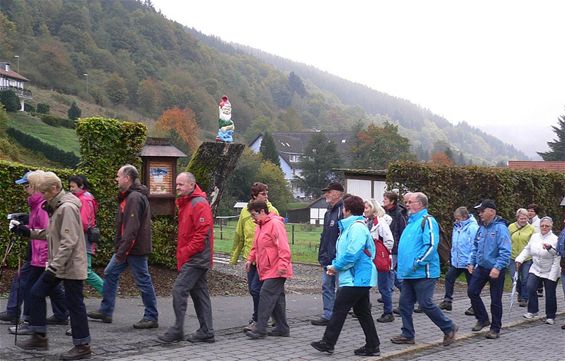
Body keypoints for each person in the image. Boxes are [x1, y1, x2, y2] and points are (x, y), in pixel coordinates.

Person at [11, 171, 91, 360]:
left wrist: (52, 268)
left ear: (55, 188)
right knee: (36, 293)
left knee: (75, 304)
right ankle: (40, 336)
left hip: (68, 266)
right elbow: (52, 233)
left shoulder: (67, 208)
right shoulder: (58, 206)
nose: (42, 196)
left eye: (45, 192)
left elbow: (69, 241)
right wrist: (28, 232)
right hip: (62, 264)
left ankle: (82, 346)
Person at [88, 164, 158, 329]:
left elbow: (131, 228)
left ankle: (151, 316)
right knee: (110, 272)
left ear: (127, 178)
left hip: (133, 248)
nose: (116, 179)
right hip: (128, 247)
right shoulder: (129, 196)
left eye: (118, 176)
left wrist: (122, 251)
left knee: (143, 280)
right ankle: (106, 311)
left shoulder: (133, 198)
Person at [311, 196, 380, 356]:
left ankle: (328, 343)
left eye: (343, 208)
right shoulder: (353, 227)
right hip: (358, 277)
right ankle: (372, 345)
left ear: (347, 210)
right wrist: (334, 265)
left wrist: (336, 267)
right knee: (362, 312)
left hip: (356, 278)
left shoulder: (355, 228)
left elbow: (352, 254)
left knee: (339, 308)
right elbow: (346, 252)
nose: (342, 210)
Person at [390, 192, 458, 346]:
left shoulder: (428, 221)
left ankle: (449, 327)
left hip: (424, 272)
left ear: (420, 204)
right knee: (404, 305)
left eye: (410, 202)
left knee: (425, 303)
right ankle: (407, 334)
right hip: (409, 273)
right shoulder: (410, 222)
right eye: (406, 202)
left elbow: (432, 245)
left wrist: (418, 262)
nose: (406, 204)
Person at [6, 171, 68, 335]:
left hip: (42, 256)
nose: (24, 189)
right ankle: (40, 324)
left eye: (27, 186)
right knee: (41, 289)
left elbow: (49, 232)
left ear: (35, 186)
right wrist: (24, 222)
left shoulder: (41, 204)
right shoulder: (36, 203)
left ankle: (33, 325)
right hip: (37, 255)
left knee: (32, 289)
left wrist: (26, 231)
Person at [158, 172, 215, 343]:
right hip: (194, 256)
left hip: (196, 257)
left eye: (181, 184)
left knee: (179, 289)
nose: (178, 187)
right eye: (177, 184)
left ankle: (178, 330)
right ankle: (206, 331)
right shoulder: (188, 202)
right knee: (200, 294)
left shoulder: (198, 204)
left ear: (192, 185)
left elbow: (201, 234)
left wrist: (186, 253)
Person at [230, 182, 279, 332]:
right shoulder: (246, 212)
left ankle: (259, 318)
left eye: (267, 193)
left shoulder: (272, 211)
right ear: (254, 196)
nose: (266, 196)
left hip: (265, 260)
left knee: (259, 290)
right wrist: (235, 256)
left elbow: (278, 238)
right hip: (250, 257)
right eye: (263, 194)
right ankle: (271, 318)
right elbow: (239, 235)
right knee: (254, 290)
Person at [244, 200, 293, 339]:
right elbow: (256, 246)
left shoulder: (275, 224)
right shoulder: (260, 225)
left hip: (277, 268)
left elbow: (283, 247)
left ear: (262, 211)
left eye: (254, 215)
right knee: (276, 298)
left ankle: (260, 328)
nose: (253, 218)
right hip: (266, 269)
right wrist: (250, 259)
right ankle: (282, 328)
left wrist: (283, 265)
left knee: (265, 294)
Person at [467, 199, 511, 339]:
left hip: (496, 269)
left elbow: (505, 251)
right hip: (481, 267)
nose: (479, 213)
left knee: (495, 299)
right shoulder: (481, 228)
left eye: (482, 211)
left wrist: (497, 267)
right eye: (479, 211)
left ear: (491, 212)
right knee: (472, 292)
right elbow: (475, 246)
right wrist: (471, 262)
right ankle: (483, 318)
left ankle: (495, 328)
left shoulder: (500, 228)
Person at [515, 216, 560, 324]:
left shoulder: (555, 239)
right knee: (530, 287)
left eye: (547, 226)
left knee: (550, 293)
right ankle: (532, 310)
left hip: (550, 270)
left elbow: (557, 257)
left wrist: (552, 276)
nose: (544, 227)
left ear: (551, 226)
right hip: (536, 268)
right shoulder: (535, 236)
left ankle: (550, 316)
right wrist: (519, 259)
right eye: (542, 225)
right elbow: (527, 249)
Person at [311, 182, 344, 326]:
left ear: (337, 193)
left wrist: (340, 256)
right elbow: (325, 236)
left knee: (342, 288)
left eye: (329, 192)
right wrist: (322, 255)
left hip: (338, 259)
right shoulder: (328, 212)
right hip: (327, 258)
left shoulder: (342, 212)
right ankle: (328, 314)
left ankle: (340, 314)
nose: (326, 195)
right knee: (327, 286)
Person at [439, 207, 478, 316]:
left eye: (458, 218)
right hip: (457, 261)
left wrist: (472, 261)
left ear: (464, 217)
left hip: (468, 261)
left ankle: (475, 306)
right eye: (455, 218)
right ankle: (447, 301)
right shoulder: (457, 227)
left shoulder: (472, 227)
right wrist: (452, 256)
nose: (456, 220)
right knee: (449, 277)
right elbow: (455, 243)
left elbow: (474, 245)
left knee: (472, 285)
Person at [69, 175, 104, 295]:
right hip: (84, 237)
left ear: (81, 186)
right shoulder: (87, 197)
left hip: (83, 238)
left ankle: (107, 292)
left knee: (86, 270)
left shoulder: (84, 199)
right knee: (79, 269)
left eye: (73, 186)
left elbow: (83, 223)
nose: (71, 189)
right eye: (70, 186)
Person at [364, 199, 395, 323]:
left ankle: (388, 312)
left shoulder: (380, 223)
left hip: (381, 260)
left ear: (373, 209)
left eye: (367, 208)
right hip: (370, 259)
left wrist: (381, 254)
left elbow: (389, 241)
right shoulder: (368, 222)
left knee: (384, 288)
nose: (364, 210)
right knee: (365, 285)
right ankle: (364, 308)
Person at [507, 208, 535, 307]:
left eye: (525, 218)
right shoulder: (511, 227)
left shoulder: (531, 229)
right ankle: (519, 292)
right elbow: (506, 240)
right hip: (513, 257)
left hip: (526, 258)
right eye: (521, 218)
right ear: (517, 218)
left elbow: (533, 243)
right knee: (514, 278)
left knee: (525, 278)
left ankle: (524, 297)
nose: (523, 220)